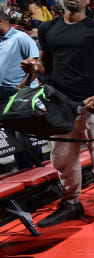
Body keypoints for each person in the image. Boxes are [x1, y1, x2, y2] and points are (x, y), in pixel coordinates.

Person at [20, 0, 94, 232]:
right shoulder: (48, 29)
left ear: (87, 0)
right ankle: (70, 204)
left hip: (93, 103)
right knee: (62, 160)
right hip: (60, 104)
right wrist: (35, 68)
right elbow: (47, 66)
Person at [0, 10, 41, 168]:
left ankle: (37, 170)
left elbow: (36, 66)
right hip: (4, 94)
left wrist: (21, 87)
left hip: (22, 94)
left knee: (27, 135)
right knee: (13, 136)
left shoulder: (21, 38)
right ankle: (24, 169)